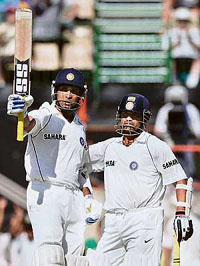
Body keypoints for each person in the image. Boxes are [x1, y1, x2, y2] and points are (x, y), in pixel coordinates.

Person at [7, 68, 102, 266]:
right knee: (51, 254)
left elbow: (80, 171)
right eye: (64, 89)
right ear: (55, 91)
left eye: (73, 91)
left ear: (81, 95)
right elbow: (29, 124)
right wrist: (21, 113)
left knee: (76, 259)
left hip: (73, 196)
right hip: (46, 191)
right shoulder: (45, 114)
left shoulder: (79, 128)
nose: (68, 95)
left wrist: (88, 197)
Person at [85, 93, 193, 266]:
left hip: (144, 220)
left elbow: (180, 180)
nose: (127, 120)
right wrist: (87, 196)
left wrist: (181, 214)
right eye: (124, 116)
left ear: (144, 119)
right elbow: (78, 161)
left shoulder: (154, 146)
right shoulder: (109, 146)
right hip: (113, 220)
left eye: (134, 116)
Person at [154, 84, 200, 176]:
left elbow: (197, 131)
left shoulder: (191, 109)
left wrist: (189, 133)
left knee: (188, 170)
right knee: (169, 169)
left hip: (187, 143)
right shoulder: (165, 110)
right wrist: (168, 138)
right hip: (169, 143)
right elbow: (158, 130)